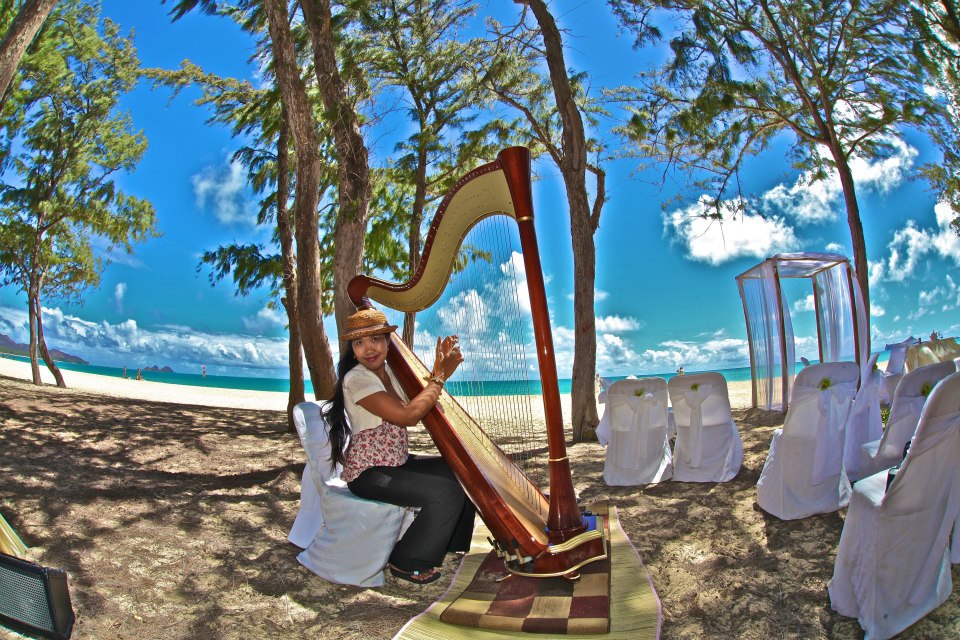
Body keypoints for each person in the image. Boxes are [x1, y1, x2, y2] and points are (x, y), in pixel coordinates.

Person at [322, 307, 476, 585]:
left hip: (396, 462)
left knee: (462, 468)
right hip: (369, 473)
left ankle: (449, 541)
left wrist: (437, 369)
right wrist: (440, 376)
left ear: (387, 341)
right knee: (446, 492)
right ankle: (406, 561)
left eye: (375, 339)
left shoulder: (391, 373)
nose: (368, 349)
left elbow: (419, 399)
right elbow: (408, 416)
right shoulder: (357, 378)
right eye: (359, 343)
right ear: (352, 350)